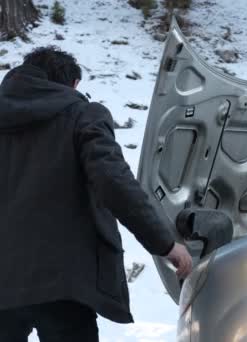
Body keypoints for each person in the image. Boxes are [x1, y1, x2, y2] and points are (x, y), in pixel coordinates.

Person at [0, 46, 193, 341]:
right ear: (71, 84)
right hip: (63, 283)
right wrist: (165, 243)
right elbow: (114, 182)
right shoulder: (83, 115)